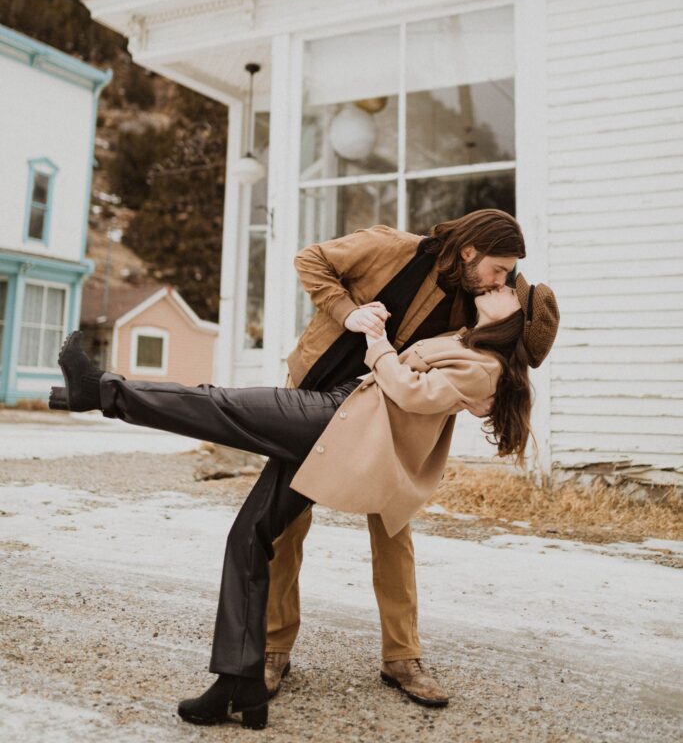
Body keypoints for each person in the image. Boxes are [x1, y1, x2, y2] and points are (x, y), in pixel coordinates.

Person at [49, 270, 559, 731]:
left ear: (517, 322)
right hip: (343, 423)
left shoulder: (484, 366)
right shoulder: (465, 341)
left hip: (341, 423)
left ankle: (99, 391)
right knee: (249, 535)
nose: (493, 288)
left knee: (219, 404)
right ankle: (240, 683)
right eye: (496, 283)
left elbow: (407, 392)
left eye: (504, 293)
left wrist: (377, 342)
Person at [266, 209, 526, 706]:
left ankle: (401, 658)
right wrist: (348, 312)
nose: (502, 280)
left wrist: (492, 392)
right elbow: (310, 258)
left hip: (386, 410)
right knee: (288, 520)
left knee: (392, 524)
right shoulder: (390, 246)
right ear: (469, 252)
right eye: (498, 269)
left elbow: (514, 334)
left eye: (508, 275)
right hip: (313, 391)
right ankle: (274, 648)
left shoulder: (478, 299)